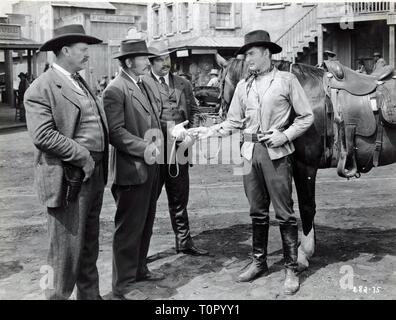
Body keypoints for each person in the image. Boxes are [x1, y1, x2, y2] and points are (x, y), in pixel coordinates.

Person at [190, 30, 314, 295]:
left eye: (252, 54)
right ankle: (259, 262)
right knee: (257, 211)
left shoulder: (286, 80)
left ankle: (291, 267)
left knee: (284, 212)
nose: (247, 60)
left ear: (267, 53)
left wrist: (284, 134)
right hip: (249, 154)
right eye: (245, 55)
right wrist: (208, 131)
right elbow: (234, 121)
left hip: (276, 154)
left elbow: (306, 117)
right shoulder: (244, 86)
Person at [24, 24, 108, 300]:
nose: (88, 56)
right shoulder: (41, 88)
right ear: (65, 50)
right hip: (68, 178)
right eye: (84, 50)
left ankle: (90, 297)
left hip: (92, 175)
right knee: (63, 253)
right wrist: (83, 156)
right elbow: (43, 135)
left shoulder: (80, 81)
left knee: (88, 246)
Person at [102, 40, 165, 300]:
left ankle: (139, 269)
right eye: (143, 58)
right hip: (131, 169)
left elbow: (152, 120)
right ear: (129, 61)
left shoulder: (141, 84)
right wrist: (144, 148)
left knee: (145, 223)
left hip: (149, 167)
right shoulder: (115, 90)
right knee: (128, 229)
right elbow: (115, 133)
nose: (148, 62)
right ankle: (123, 285)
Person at [147, 43, 208, 256]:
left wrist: (191, 135)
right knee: (147, 202)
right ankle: (139, 250)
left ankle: (184, 242)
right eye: (158, 60)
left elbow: (195, 111)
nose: (165, 64)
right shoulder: (142, 84)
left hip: (180, 150)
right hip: (153, 152)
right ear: (149, 63)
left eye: (167, 59)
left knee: (180, 198)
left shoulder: (183, 83)